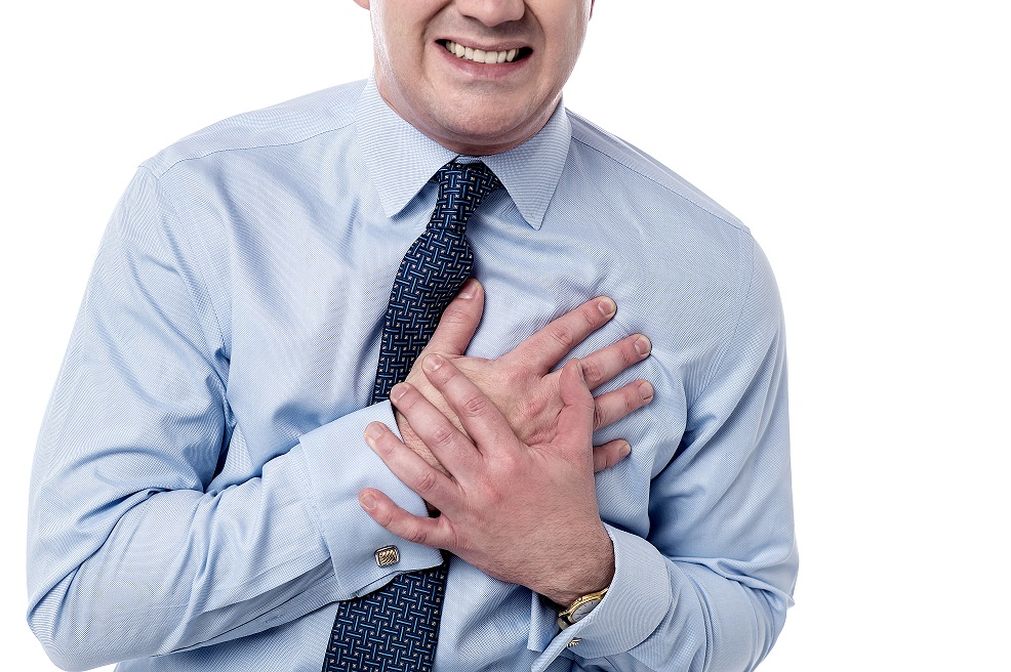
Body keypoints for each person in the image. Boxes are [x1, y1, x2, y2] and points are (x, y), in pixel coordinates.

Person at [26, 1, 798, 671]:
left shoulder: (710, 271)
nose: (493, 10)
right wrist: (412, 458)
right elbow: (81, 601)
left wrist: (581, 567)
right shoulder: (198, 206)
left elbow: (741, 609)